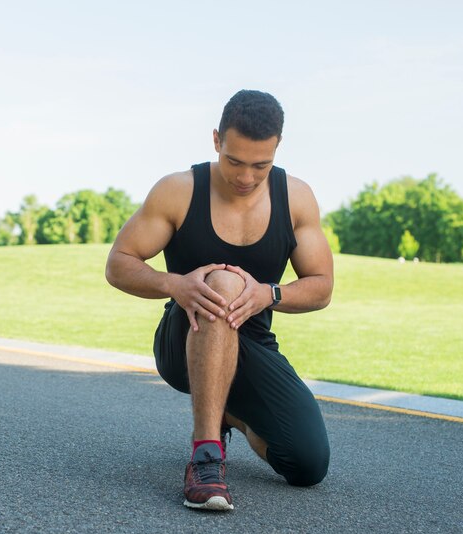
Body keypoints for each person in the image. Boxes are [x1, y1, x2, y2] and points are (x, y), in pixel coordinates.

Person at [105, 90, 333, 511]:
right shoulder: (179, 191)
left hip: (252, 345)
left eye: (260, 166)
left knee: (307, 464)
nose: (246, 177)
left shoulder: (296, 197)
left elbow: (321, 286)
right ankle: (205, 457)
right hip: (185, 338)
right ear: (216, 140)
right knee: (222, 284)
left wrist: (269, 293)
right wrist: (176, 285)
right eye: (235, 161)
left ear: (276, 149)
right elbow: (118, 264)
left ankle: (230, 415)